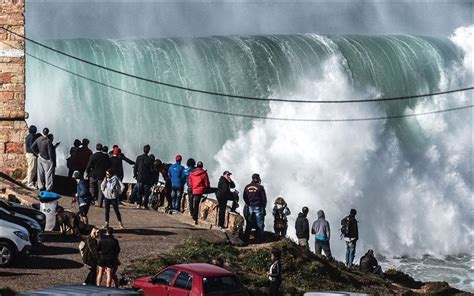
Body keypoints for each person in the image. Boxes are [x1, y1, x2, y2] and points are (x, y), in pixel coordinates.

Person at [243, 173, 267, 243]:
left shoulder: (247, 187)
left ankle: (245, 238)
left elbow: (244, 197)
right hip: (258, 207)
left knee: (249, 223)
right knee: (260, 224)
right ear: (257, 178)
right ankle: (260, 239)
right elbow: (264, 199)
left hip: (250, 207)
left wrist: (248, 204)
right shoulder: (260, 187)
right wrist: (263, 207)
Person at [86, 143, 112, 207]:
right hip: (102, 175)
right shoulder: (106, 156)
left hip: (93, 174)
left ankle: (91, 201)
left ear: (96, 148)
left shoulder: (93, 155)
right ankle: (100, 203)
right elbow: (109, 166)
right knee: (101, 189)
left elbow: (88, 166)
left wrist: (87, 172)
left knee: (92, 187)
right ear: (101, 148)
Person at [133, 144, 153, 209]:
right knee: (146, 192)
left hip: (140, 177)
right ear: (149, 151)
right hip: (147, 178)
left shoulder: (139, 157)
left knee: (139, 192)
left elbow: (135, 167)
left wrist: (135, 175)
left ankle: (138, 204)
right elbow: (151, 170)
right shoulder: (150, 159)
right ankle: (144, 205)